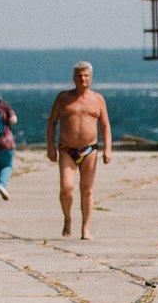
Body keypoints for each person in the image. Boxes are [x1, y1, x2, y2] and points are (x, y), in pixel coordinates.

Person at [44, 61, 111, 239]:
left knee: (87, 189)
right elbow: (52, 122)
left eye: (86, 76)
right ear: (74, 78)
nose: (83, 79)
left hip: (90, 149)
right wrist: (50, 147)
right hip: (67, 149)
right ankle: (67, 219)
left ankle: (86, 228)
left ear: (91, 78)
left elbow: (105, 125)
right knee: (67, 187)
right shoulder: (63, 98)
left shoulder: (97, 99)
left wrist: (108, 149)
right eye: (80, 76)